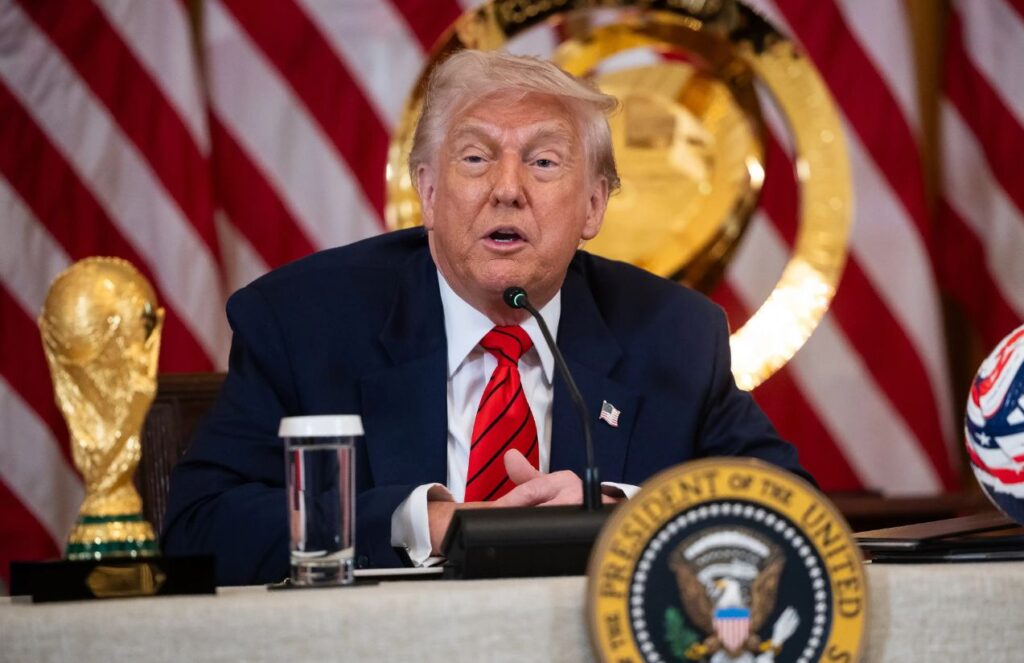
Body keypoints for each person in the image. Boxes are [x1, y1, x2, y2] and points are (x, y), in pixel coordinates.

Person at [162, 50, 808, 585]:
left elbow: (794, 509)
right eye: (475, 158)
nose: (506, 187)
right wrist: (422, 521)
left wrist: (623, 514)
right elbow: (198, 527)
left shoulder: (673, 333)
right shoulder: (304, 320)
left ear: (593, 205)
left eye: (543, 161)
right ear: (430, 193)